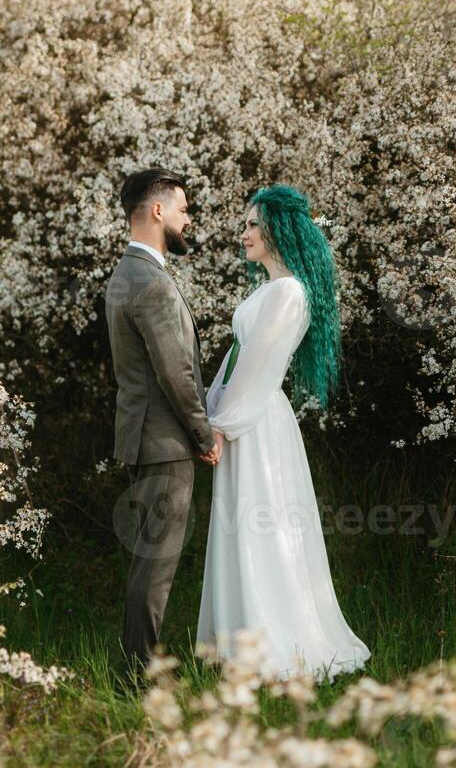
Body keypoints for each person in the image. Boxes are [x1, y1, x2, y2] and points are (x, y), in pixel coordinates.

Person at [196, 184, 370, 682]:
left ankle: (274, 646)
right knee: (242, 524)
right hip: (244, 417)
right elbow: (236, 360)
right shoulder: (268, 290)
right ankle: (240, 642)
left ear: (278, 229)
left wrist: (222, 424)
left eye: (254, 223)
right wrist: (209, 411)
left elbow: (259, 366)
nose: (245, 232)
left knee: (262, 525)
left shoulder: (290, 292)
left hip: (257, 424)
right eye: (247, 223)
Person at [104, 168, 222, 689]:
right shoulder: (149, 282)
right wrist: (203, 434)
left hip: (143, 438)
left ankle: (137, 667)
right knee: (157, 565)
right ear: (156, 212)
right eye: (181, 208)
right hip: (165, 442)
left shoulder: (127, 274)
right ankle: (138, 677)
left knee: (149, 560)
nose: (186, 217)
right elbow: (174, 372)